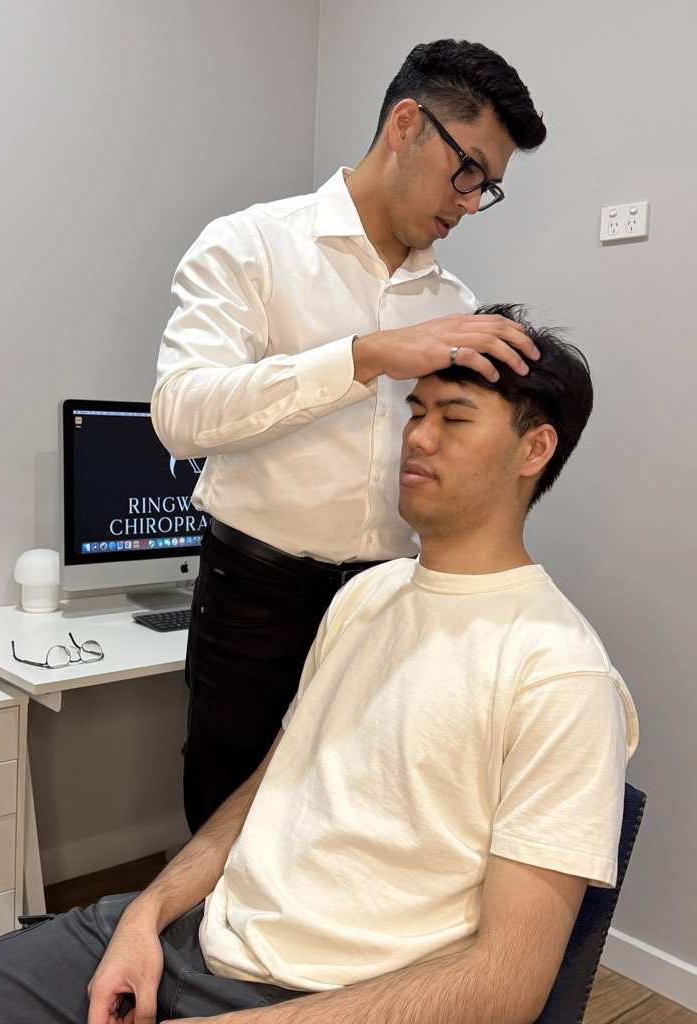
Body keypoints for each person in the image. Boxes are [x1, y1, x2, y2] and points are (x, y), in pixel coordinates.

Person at [0, 306, 638, 1024]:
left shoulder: (560, 674)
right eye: (416, 411)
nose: (417, 437)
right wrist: (146, 917)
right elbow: (270, 786)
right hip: (193, 937)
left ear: (535, 448)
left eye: (454, 418)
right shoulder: (369, 597)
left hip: (324, 998)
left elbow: (506, 986)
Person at [152, 39, 550, 832]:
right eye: (467, 170)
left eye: (489, 187)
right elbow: (181, 414)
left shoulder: (454, 300)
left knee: (349, 825)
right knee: (226, 822)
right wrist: (366, 357)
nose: (470, 201)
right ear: (407, 124)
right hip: (254, 596)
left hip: (386, 603)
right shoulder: (250, 247)